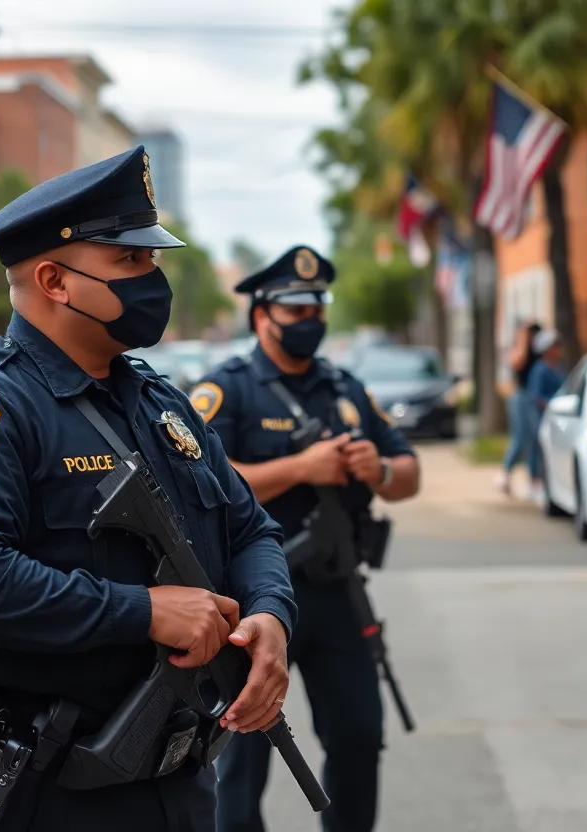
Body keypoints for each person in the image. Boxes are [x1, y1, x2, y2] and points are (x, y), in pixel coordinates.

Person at [0, 147, 297, 832]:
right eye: (130, 262)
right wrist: (143, 611)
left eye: (151, 260)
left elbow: (249, 528)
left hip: (180, 784)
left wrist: (270, 617)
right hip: (44, 795)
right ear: (54, 279)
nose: (153, 279)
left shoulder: (159, 402)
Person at [190, 245, 422, 832]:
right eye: (296, 310)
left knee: (358, 738)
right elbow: (197, 484)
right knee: (241, 758)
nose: (310, 321)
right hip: (254, 605)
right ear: (261, 316)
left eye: (317, 308)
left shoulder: (344, 388)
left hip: (337, 593)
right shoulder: (228, 391)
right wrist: (301, 467)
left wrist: (380, 471)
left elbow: (409, 473)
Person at [497, 320, 542, 495]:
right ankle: (506, 472)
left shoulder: (539, 350)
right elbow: (516, 363)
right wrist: (523, 339)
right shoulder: (520, 349)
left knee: (534, 439)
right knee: (521, 438)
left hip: (535, 397)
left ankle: (534, 480)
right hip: (521, 397)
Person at [524, 328, 565, 504]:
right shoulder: (540, 370)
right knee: (538, 449)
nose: (560, 349)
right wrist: (550, 406)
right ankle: (535, 483)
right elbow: (536, 396)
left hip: (558, 417)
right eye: (556, 346)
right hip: (543, 416)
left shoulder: (557, 369)